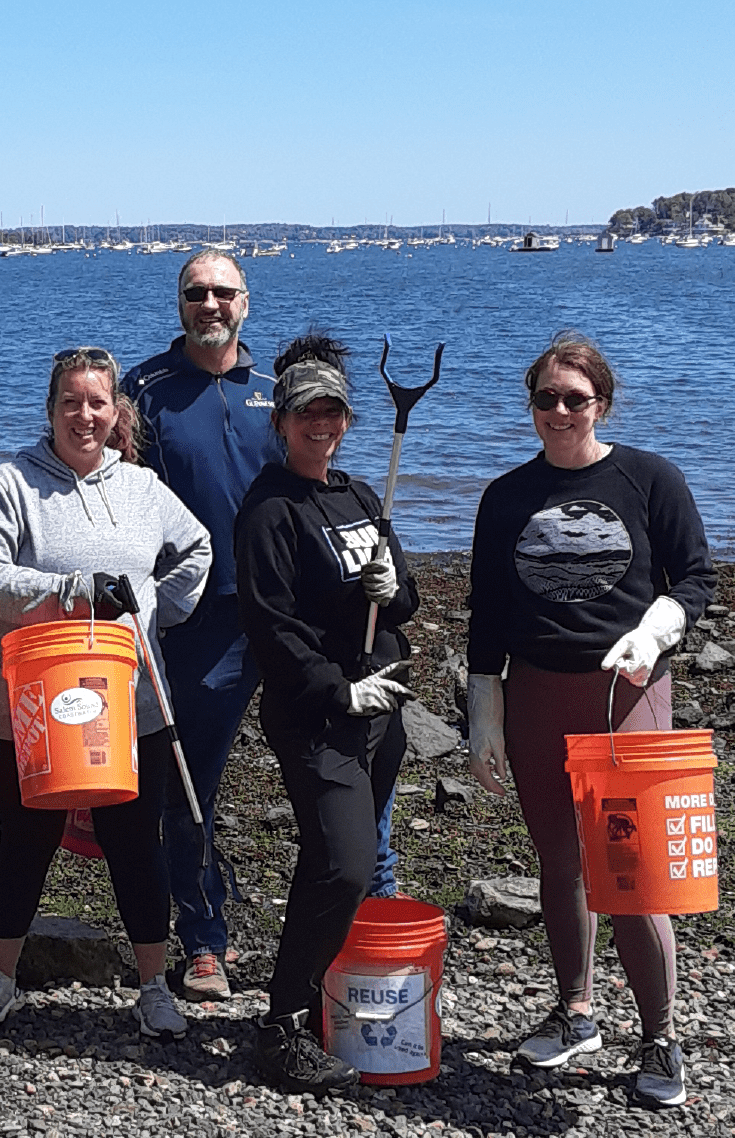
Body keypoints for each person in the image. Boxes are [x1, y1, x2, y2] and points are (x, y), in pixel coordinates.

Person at [466, 332, 715, 1109]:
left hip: (628, 697)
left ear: (601, 402)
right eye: (547, 398)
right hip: (539, 694)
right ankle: (575, 1010)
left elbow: (698, 576)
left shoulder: (649, 478)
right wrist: (485, 717)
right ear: (532, 406)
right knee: (560, 861)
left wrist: (658, 627)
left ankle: (660, 1034)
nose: (562, 411)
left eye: (577, 398)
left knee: (637, 876)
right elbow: (487, 620)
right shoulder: (506, 496)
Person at [0, 346, 212, 1037]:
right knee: (26, 840)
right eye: (71, 402)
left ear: (117, 411)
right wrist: (64, 592)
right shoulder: (13, 483)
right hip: (31, 708)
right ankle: (0, 977)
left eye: (98, 402)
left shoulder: (142, 488)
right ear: (51, 409)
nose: (85, 415)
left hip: (132, 703)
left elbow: (198, 549)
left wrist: (159, 612)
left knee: (136, 845)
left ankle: (154, 985)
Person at [234, 335, 419, 1092]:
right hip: (320, 718)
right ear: (281, 420)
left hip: (382, 710)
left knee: (330, 862)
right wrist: (337, 691)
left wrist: (389, 585)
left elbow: (403, 600)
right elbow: (271, 626)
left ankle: (306, 1008)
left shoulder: (359, 495)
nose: (322, 423)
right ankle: (280, 1027)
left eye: (334, 411)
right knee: (343, 867)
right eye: (308, 410)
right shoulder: (269, 510)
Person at [119, 251, 281, 999]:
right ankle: (203, 940)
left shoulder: (280, 389)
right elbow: (114, 492)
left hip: (285, 616)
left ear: (246, 301)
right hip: (195, 620)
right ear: (179, 303)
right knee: (190, 787)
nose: (209, 304)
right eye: (196, 293)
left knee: (333, 769)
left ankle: (346, 924)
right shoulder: (146, 391)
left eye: (222, 292)